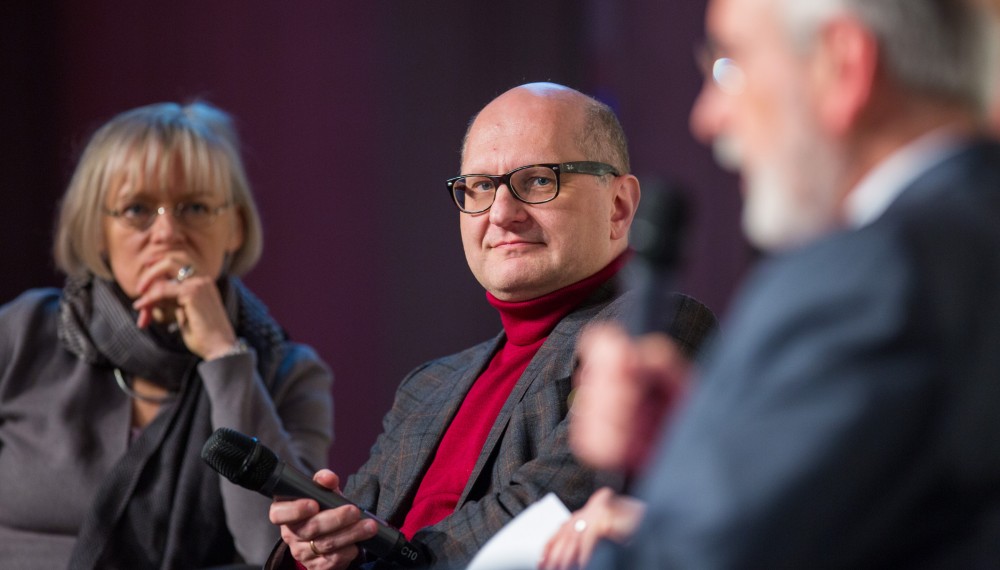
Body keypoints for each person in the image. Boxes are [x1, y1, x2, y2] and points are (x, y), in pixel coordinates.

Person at [552, 0, 1000, 567]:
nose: (707, 116)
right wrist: (715, 435)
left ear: (842, 67)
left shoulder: (862, 277)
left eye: (729, 65)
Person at [266, 83, 717, 569]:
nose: (501, 213)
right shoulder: (428, 386)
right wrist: (319, 543)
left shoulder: (654, 329)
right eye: (480, 186)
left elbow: (548, 512)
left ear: (619, 206)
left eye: (540, 180)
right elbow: (355, 524)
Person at [0, 101, 334, 569]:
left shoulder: (289, 373)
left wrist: (224, 358)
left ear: (234, 228)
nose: (167, 232)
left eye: (194, 207)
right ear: (98, 230)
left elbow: (276, 553)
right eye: (137, 209)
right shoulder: (22, 333)